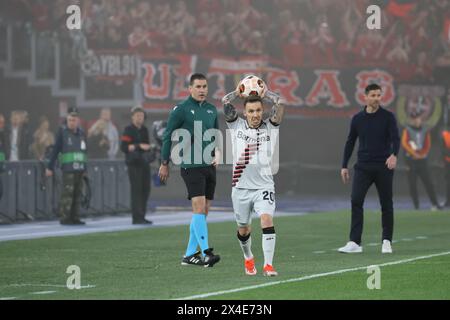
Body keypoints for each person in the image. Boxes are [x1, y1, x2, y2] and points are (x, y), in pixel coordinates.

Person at [159, 73, 221, 268]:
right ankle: (206, 253)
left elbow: (215, 135)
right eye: (199, 86)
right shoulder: (181, 110)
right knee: (199, 208)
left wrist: (217, 151)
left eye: (205, 86)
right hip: (190, 165)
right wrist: (164, 162)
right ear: (190, 88)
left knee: (204, 211)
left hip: (209, 166)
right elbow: (168, 136)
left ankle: (188, 255)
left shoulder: (212, 110)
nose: (202, 90)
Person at [221, 88, 285, 277]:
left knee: (266, 220)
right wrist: (238, 91)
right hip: (240, 188)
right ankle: (248, 257)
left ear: (263, 111)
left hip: (264, 186)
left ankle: (268, 265)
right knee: (244, 229)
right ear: (245, 113)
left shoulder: (270, 127)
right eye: (251, 111)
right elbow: (225, 102)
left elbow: (280, 104)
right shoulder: (236, 126)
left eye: (258, 110)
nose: (255, 114)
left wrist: (267, 93)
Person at [339, 83, 400, 254]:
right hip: (363, 167)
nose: (376, 98)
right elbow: (350, 142)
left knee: (386, 204)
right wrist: (344, 165)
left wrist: (394, 155)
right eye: (373, 95)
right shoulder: (358, 119)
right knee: (356, 201)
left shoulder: (388, 117)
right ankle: (354, 242)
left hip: (383, 167)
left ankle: (387, 241)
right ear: (365, 97)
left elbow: (396, 139)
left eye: (379, 95)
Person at [46, 107, 87, 225]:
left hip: (79, 168)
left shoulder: (82, 133)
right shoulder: (62, 133)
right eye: (69, 120)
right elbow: (55, 150)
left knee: (77, 194)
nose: (72, 122)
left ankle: (75, 217)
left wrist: (85, 168)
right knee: (67, 193)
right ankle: (65, 217)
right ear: (67, 120)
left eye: (74, 120)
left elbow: (85, 152)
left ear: (78, 120)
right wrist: (50, 167)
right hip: (68, 169)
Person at [401, 111, 441, 211]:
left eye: (418, 118)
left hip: (422, 161)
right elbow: (404, 144)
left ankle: (435, 204)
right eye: (414, 119)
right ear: (411, 120)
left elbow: (428, 144)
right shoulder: (407, 130)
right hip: (411, 161)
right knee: (413, 185)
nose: (416, 120)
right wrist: (414, 154)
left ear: (420, 119)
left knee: (429, 183)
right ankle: (416, 206)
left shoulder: (425, 130)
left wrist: (422, 154)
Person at [120, 106, 153, 225]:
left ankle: (142, 215)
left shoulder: (144, 129)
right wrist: (139, 146)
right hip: (133, 164)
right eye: (137, 115)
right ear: (132, 117)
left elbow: (147, 146)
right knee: (136, 191)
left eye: (141, 116)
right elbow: (124, 147)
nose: (139, 118)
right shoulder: (128, 130)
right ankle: (136, 217)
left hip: (144, 163)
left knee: (145, 189)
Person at [441, 124, 450, 207]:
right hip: (448, 162)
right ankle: (448, 201)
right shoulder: (445, 135)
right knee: (448, 182)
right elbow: (443, 149)